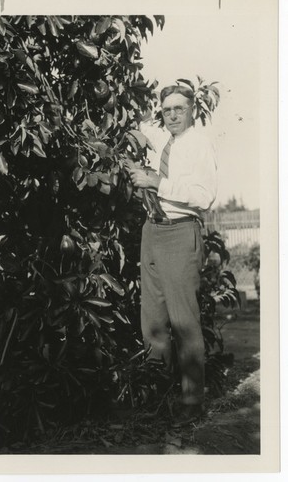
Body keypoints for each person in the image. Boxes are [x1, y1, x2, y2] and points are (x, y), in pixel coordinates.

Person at [125, 82, 217, 424]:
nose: (173, 115)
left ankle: (191, 405)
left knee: (183, 321)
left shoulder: (199, 145)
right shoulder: (165, 143)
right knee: (152, 321)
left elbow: (204, 196)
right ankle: (157, 399)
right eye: (167, 110)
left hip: (181, 233)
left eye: (179, 108)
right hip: (153, 231)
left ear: (192, 109)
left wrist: (157, 184)